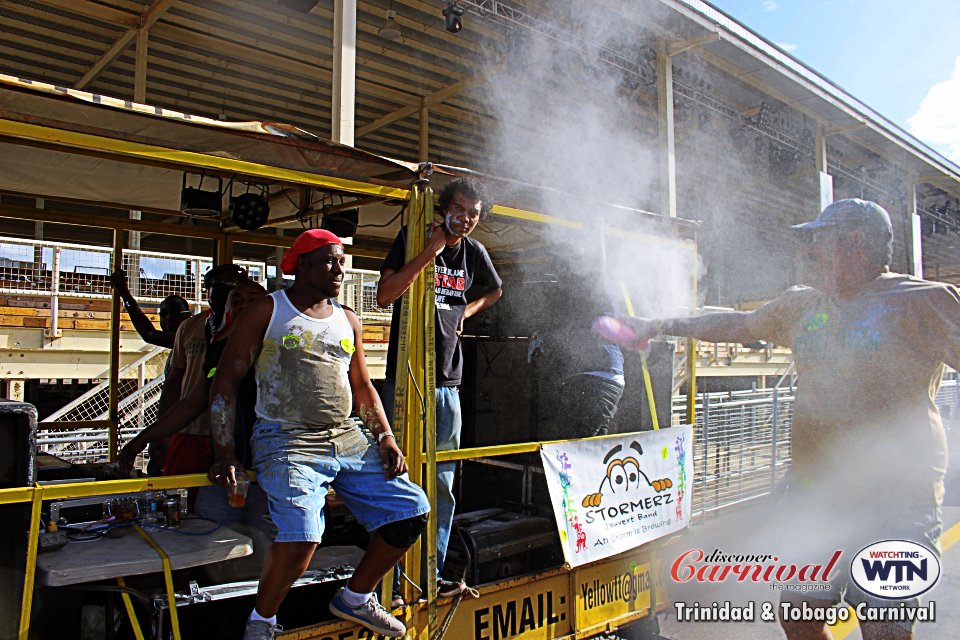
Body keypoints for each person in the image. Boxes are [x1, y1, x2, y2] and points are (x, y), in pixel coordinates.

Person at [614, 199, 960, 640]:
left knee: (884, 629)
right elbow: (738, 325)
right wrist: (659, 323)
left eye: (818, 239)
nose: (809, 251)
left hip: (895, 503)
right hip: (815, 496)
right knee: (798, 614)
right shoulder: (801, 305)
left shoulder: (922, 301)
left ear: (854, 241)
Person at [208, 229, 430, 640]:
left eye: (342, 260)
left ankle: (356, 597)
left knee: (411, 510)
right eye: (330, 260)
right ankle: (261, 622)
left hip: (346, 438)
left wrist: (385, 437)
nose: (340, 269)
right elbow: (224, 385)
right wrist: (225, 453)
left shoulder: (348, 319)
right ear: (302, 265)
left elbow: (362, 387)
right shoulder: (265, 311)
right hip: (285, 438)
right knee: (304, 532)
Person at [377, 176, 503, 597]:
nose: (465, 220)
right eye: (460, 210)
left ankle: (429, 573)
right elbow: (384, 295)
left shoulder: (474, 252)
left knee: (444, 482)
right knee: (400, 480)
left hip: (449, 380)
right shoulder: (413, 237)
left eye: (473, 214)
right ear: (442, 208)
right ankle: (394, 579)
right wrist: (428, 253)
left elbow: (496, 288)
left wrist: (467, 310)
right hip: (407, 379)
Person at [160, 264, 246, 480]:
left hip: (235, 434)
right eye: (216, 285)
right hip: (190, 430)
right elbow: (174, 380)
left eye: (231, 285)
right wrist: (160, 431)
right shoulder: (189, 327)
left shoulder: (252, 328)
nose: (223, 290)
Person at [111, 269, 193, 473]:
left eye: (174, 314)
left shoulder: (190, 336)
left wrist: (124, 293)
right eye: (163, 314)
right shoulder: (180, 346)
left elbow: (149, 334)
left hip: (184, 422)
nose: (167, 319)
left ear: (187, 316)